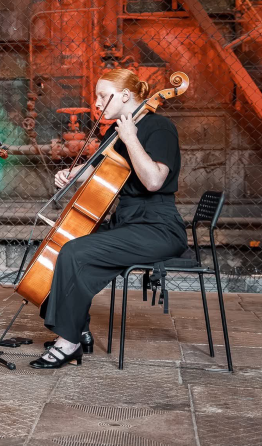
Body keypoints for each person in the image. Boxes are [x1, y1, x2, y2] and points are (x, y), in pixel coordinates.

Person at [30, 68, 187, 369]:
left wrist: (130, 139)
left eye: (103, 95)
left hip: (158, 228)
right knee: (74, 251)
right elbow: (101, 172)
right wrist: (72, 174)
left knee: (75, 253)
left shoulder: (159, 127)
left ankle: (68, 342)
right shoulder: (115, 133)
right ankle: (78, 331)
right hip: (128, 225)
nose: (96, 103)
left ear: (126, 95)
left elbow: (154, 180)